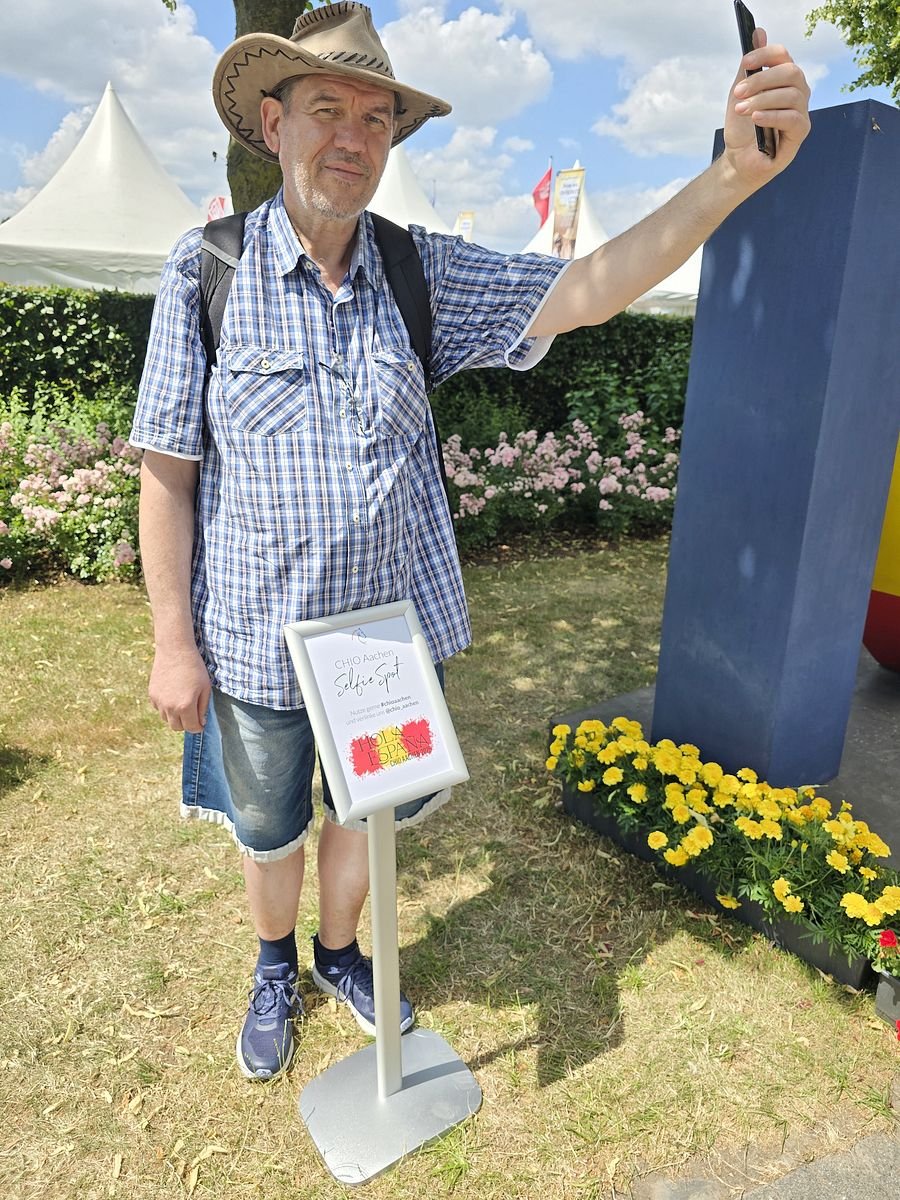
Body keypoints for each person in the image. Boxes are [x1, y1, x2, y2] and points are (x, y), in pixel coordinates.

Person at [132, 2, 811, 1081]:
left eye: (375, 117)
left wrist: (732, 176)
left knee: (368, 815)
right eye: (326, 108)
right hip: (254, 643)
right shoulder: (205, 270)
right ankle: (272, 965)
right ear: (271, 123)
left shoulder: (421, 274)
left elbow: (587, 288)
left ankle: (339, 953)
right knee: (269, 831)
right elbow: (167, 473)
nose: (353, 136)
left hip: (384, 649)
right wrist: (174, 643)